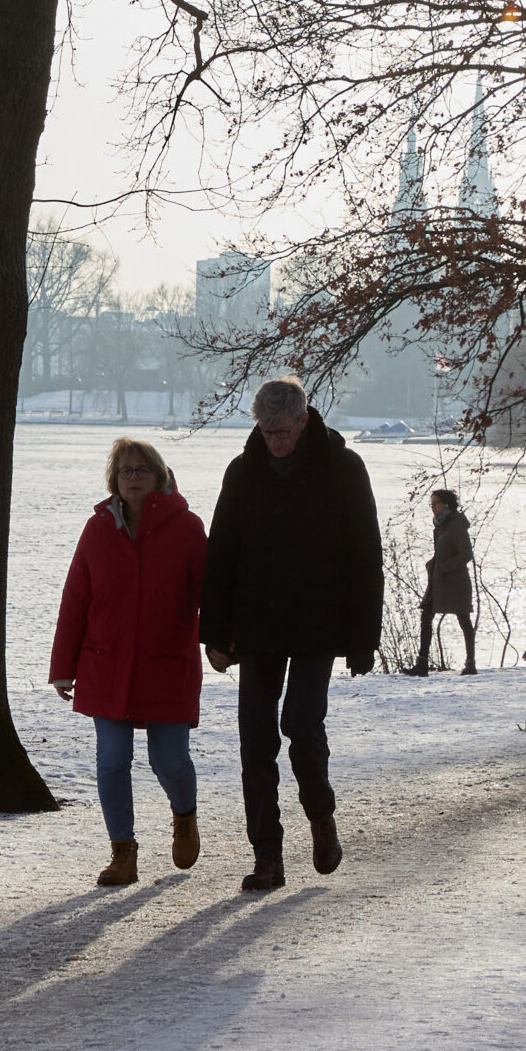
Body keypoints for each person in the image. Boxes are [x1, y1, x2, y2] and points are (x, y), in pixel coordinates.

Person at [201, 378, 384, 891]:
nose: (274, 441)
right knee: (254, 741)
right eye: (265, 431)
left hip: (318, 625)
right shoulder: (243, 472)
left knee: (301, 726)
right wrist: (214, 632)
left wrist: (363, 636)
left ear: (304, 420)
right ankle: (267, 856)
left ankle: (320, 817)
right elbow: (222, 553)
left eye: (282, 431)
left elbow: (366, 556)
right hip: (256, 625)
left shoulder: (344, 470)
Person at [49, 437, 209, 887]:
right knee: (111, 762)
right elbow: (76, 598)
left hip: (166, 666)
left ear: (159, 476)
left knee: (170, 761)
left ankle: (184, 816)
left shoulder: (188, 528)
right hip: (106, 665)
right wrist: (63, 666)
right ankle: (123, 852)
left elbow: (210, 596)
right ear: (114, 480)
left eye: (141, 470)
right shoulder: (98, 528)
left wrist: (222, 644)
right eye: (125, 471)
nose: (133, 477)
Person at [417, 489, 477, 676]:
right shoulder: (441, 524)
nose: (432, 507)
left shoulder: (456, 525)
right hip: (439, 581)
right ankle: (422, 664)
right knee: (426, 615)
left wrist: (443, 567)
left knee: (464, 619)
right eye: (431, 504)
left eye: (435, 503)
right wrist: (433, 564)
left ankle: (470, 663)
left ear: (446, 505)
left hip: (455, 583)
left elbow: (466, 554)